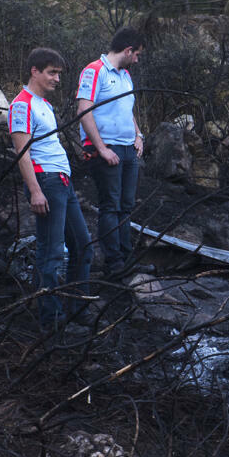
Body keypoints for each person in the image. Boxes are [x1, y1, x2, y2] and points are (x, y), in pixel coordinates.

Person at [9, 47, 93, 333]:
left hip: (63, 183)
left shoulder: (44, 104)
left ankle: (78, 311)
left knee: (82, 245)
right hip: (46, 182)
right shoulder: (22, 104)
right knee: (51, 253)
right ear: (35, 71)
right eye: (52, 73)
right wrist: (35, 191)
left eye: (58, 73)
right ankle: (51, 321)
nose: (57, 79)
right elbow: (22, 152)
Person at [77, 27, 145, 278]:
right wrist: (101, 148)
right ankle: (113, 263)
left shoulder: (126, 75)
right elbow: (84, 111)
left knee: (126, 206)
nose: (137, 59)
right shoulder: (94, 71)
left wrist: (138, 135)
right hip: (107, 150)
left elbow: (127, 109)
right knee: (111, 206)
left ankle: (126, 260)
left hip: (128, 149)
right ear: (128, 50)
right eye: (136, 54)